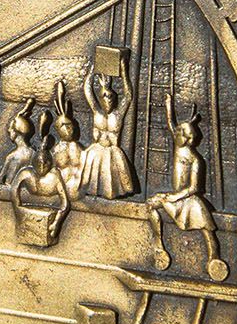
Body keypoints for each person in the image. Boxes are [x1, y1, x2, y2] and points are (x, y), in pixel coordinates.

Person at [145, 109, 228, 279]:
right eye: (176, 132)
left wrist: (176, 197)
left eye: (179, 132)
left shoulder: (195, 159)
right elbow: (171, 124)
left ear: (188, 138)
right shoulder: (178, 145)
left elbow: (194, 187)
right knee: (151, 204)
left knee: (207, 229)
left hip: (189, 199)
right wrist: (168, 107)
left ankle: (215, 258)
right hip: (174, 196)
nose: (175, 132)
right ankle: (158, 245)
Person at [79, 71, 136, 198]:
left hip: (112, 151)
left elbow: (128, 96)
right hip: (97, 149)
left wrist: (124, 70)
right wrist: (91, 71)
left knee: (112, 179)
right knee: (91, 173)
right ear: (100, 99)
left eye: (110, 98)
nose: (108, 101)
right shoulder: (97, 112)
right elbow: (87, 91)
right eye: (104, 97)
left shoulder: (118, 114)